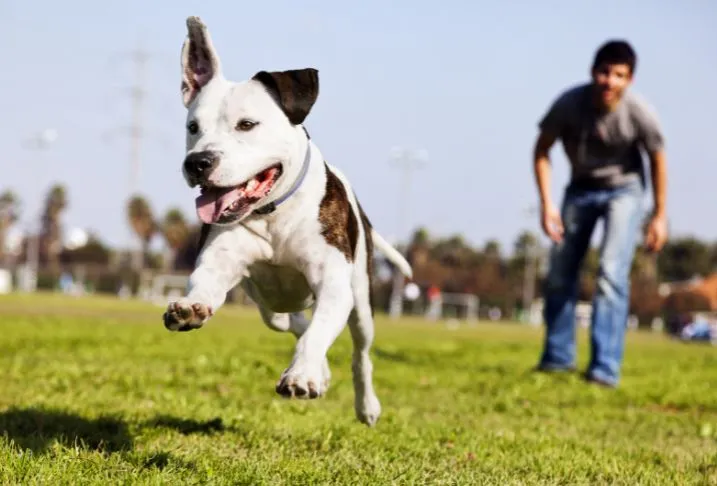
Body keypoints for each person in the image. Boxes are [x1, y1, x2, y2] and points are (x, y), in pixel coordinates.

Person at [532, 40, 668, 387]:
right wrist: (547, 204)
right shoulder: (569, 104)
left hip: (625, 191)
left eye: (619, 75)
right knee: (561, 270)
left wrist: (659, 214)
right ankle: (558, 359)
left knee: (610, 271)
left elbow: (657, 159)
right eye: (605, 72)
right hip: (579, 189)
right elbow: (542, 151)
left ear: (630, 79)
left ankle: (604, 368)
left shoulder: (639, 112)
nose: (610, 81)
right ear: (594, 72)